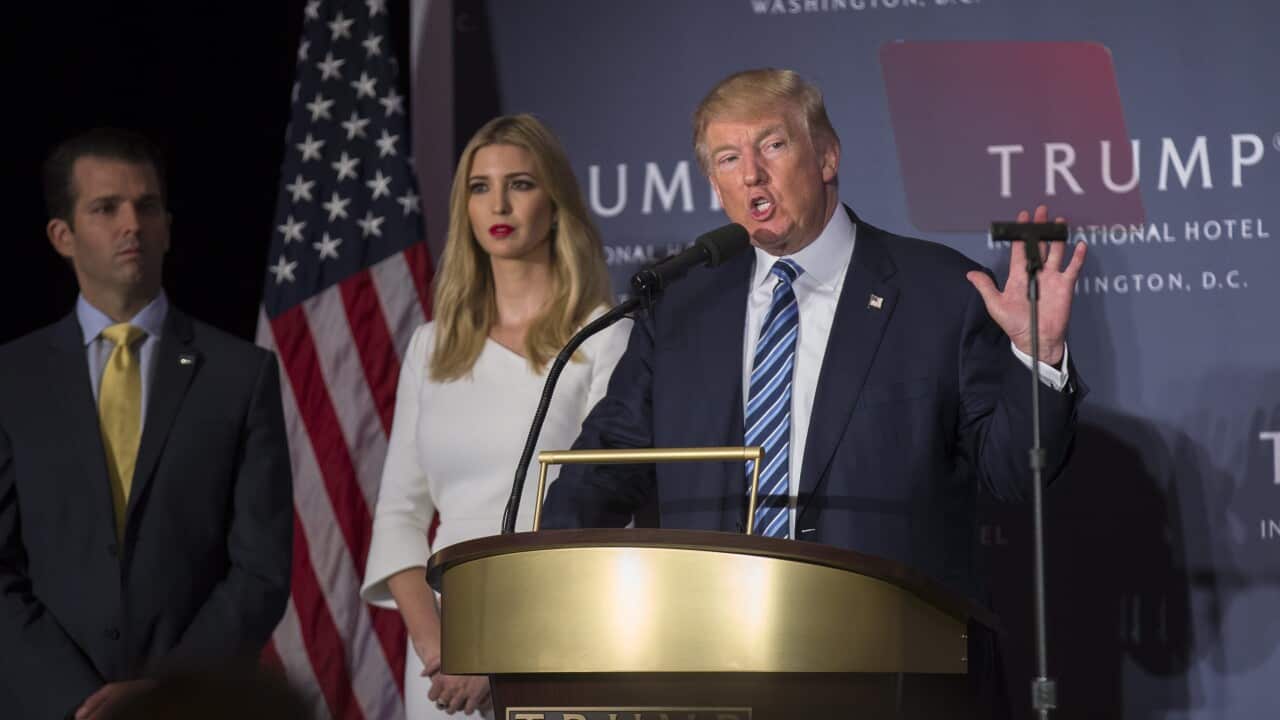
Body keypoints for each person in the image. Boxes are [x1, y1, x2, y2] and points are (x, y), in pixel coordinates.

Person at [540, 69, 1087, 713]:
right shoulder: (681, 308)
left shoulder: (938, 291)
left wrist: (1038, 356)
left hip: (894, 673)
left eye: (772, 146)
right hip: (715, 671)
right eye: (727, 158)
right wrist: (551, 591)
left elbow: (1014, 474)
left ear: (827, 157)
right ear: (715, 186)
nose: (752, 174)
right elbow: (603, 468)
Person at [0, 128, 293, 719]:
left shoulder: (241, 374)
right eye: (106, 208)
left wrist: (166, 690)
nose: (132, 223)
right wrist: (72, 697)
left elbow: (260, 568)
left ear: (167, 225)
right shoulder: (12, 378)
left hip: (194, 706)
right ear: (63, 236)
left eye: (147, 206)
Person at [360, 114, 630, 718]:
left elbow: (604, 519)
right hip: (444, 666)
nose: (498, 202)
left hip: (558, 642)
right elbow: (400, 514)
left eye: (521, 184)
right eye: (480, 187)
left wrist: (499, 653)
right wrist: (439, 648)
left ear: (556, 203)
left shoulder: (604, 337)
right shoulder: (432, 347)